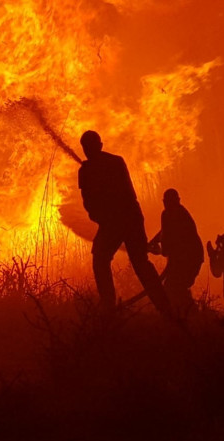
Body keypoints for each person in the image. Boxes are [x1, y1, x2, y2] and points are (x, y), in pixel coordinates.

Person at [78, 130, 171, 316]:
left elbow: (125, 195)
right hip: (120, 220)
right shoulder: (90, 169)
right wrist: (99, 217)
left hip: (125, 218)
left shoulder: (109, 164)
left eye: (91, 147)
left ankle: (162, 308)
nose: (88, 151)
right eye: (86, 148)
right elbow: (88, 202)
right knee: (113, 259)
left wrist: (104, 217)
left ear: (100, 146)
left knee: (114, 260)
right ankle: (113, 306)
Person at [148, 189, 204, 317]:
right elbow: (164, 231)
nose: (166, 204)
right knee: (176, 287)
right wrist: (152, 243)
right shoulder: (180, 213)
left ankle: (188, 317)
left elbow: (168, 246)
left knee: (173, 287)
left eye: (168, 202)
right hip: (194, 258)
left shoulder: (168, 214)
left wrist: (158, 250)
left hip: (187, 260)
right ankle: (191, 316)